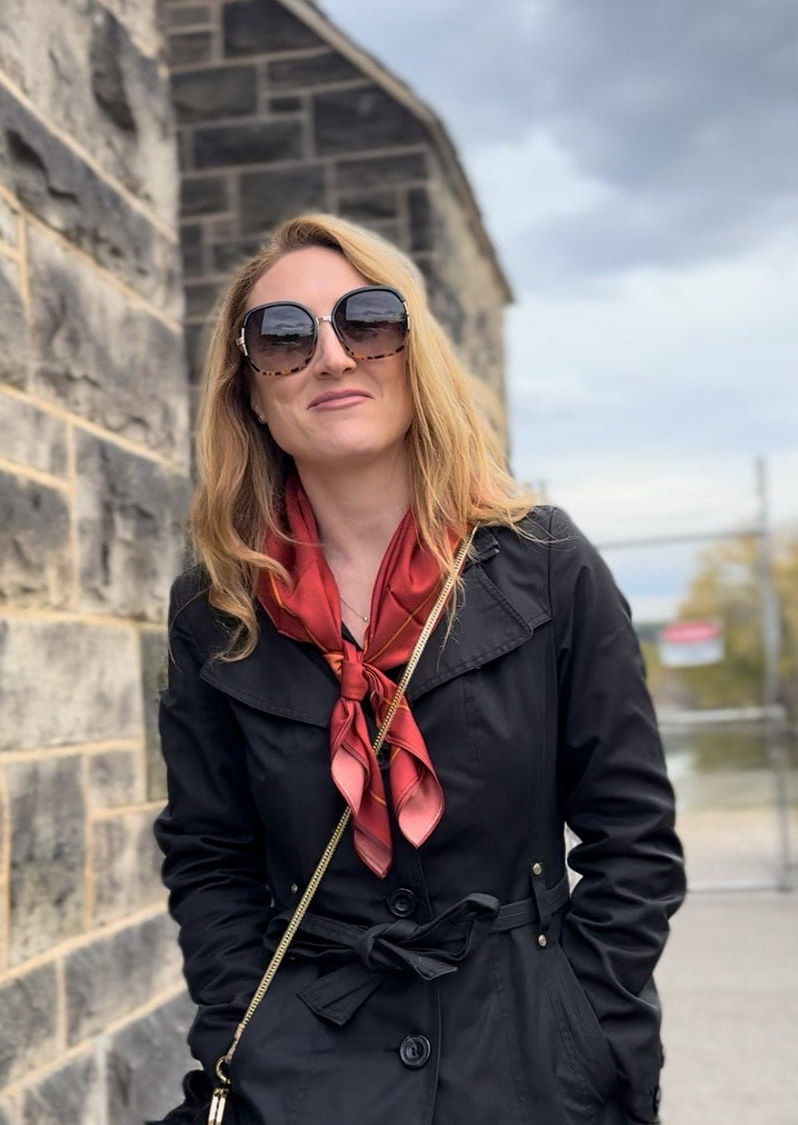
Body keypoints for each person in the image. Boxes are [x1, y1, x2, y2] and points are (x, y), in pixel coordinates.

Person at [152, 212, 685, 1125]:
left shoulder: (546, 564)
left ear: (414, 353)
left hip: (532, 1070)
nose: (332, 357)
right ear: (251, 394)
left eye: (367, 321)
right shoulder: (216, 609)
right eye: (284, 337)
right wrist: (248, 1030)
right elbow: (210, 856)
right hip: (307, 1077)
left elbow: (634, 837)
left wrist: (584, 1026)